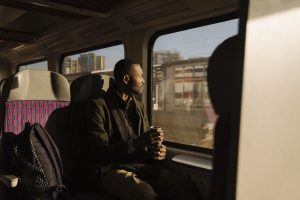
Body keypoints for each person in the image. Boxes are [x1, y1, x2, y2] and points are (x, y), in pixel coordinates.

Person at [84, 58, 200, 200]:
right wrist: (136, 143)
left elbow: (144, 144)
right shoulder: (98, 107)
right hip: (111, 168)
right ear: (126, 79)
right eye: (140, 76)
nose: (143, 81)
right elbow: (99, 153)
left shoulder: (139, 106)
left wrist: (156, 151)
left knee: (184, 188)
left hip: (141, 163)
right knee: (146, 195)